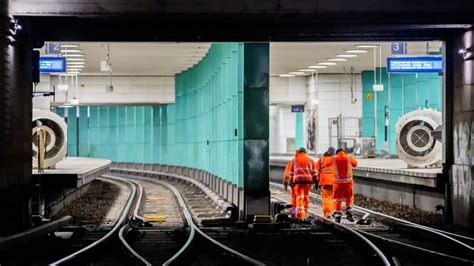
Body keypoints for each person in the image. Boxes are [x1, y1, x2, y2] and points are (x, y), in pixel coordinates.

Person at [288, 147, 318, 220]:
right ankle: (305, 213)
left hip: (298, 182)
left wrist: (290, 181)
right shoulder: (310, 160)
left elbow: (291, 173)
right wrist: (316, 182)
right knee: (306, 196)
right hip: (308, 182)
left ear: (299, 152)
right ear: (305, 152)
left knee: (299, 197)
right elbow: (314, 173)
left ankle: (300, 215)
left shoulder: (294, 160)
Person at [333, 148, 358, 223]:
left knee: (337, 199)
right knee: (349, 197)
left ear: (336, 153)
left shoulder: (333, 158)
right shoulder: (348, 158)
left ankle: (337, 215)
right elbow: (355, 164)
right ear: (344, 152)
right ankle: (349, 212)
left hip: (337, 183)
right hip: (348, 182)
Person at [315, 147, 336, 219]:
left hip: (324, 181)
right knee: (332, 198)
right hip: (334, 181)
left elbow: (316, 171)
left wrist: (316, 182)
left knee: (326, 198)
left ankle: (328, 213)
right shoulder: (335, 160)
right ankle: (332, 212)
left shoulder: (321, 159)